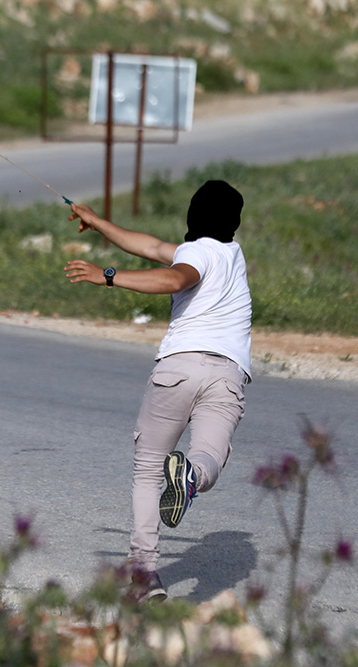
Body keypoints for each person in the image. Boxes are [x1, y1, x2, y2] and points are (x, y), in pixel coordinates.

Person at [63, 180, 252, 603]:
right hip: (227, 374)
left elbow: (173, 277)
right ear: (233, 224)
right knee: (209, 459)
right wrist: (98, 224)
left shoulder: (195, 255)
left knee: (148, 469)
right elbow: (149, 246)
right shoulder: (231, 255)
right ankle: (190, 477)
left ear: (192, 216)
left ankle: (145, 573)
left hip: (179, 370)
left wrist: (107, 276)